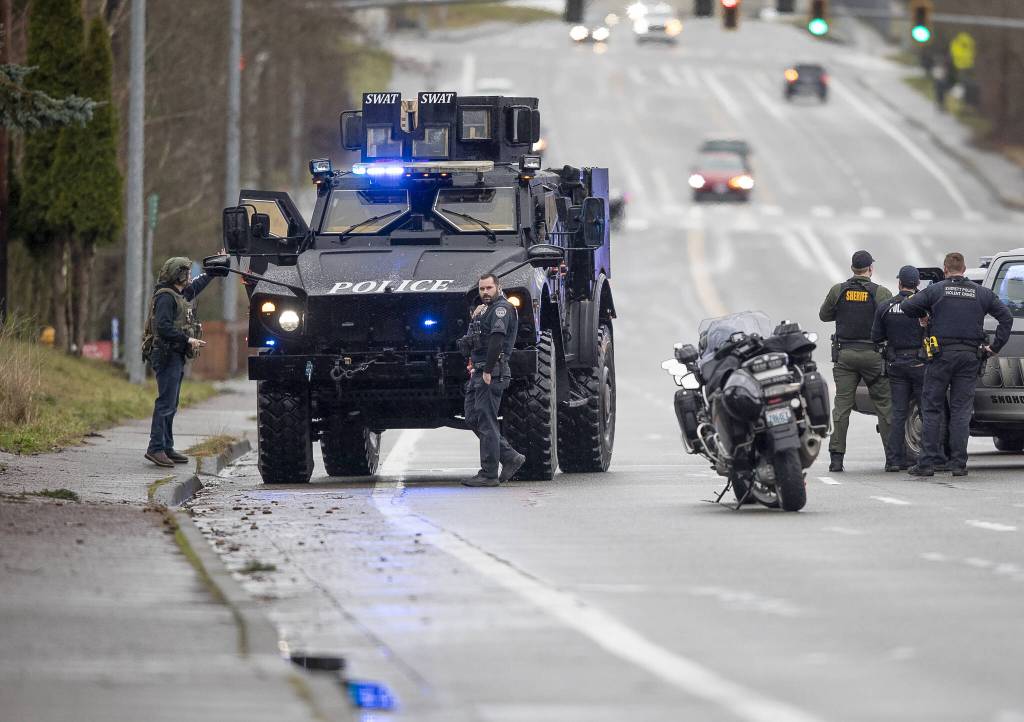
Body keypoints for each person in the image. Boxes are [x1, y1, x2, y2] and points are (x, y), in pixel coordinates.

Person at [900, 252, 1013, 477]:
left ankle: (927, 463)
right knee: (962, 411)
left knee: (932, 408)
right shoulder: (981, 293)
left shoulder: (937, 290)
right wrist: (995, 347)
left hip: (941, 357)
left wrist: (925, 314)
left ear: (945, 269)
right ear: (964, 269)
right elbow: (1006, 318)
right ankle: (958, 464)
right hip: (970, 357)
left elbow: (906, 306)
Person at [819, 250, 893, 472]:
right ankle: (892, 458)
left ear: (852, 269)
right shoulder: (881, 293)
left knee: (841, 407)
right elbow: (891, 319)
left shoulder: (838, 290)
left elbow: (824, 315)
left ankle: (836, 458)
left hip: (845, 356)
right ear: (870, 269)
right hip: (873, 356)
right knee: (884, 406)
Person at [144, 257, 214, 468]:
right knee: (165, 403)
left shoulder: (177, 294)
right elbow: (163, 327)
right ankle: (155, 448)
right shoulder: (166, 297)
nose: (191, 277)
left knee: (171, 404)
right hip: (166, 355)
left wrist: (214, 271)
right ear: (179, 274)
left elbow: (196, 287)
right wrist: (187, 339)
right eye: (188, 273)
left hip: (174, 355)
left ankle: (166, 446)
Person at [459, 273, 525, 487]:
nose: (485, 292)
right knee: (472, 417)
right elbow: (477, 339)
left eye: (489, 288)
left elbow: (496, 340)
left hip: (492, 372)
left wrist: (487, 370)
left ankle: (488, 473)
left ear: (498, 287)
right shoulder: (484, 310)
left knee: (486, 422)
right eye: (482, 289)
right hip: (478, 371)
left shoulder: (501, 309)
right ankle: (510, 456)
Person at [872, 266, 926, 472]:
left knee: (898, 413)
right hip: (920, 363)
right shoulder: (925, 307)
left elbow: (876, 337)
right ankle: (928, 457)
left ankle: (893, 460)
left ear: (899, 283)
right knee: (925, 411)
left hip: (896, 364)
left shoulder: (885, 307)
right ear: (917, 284)